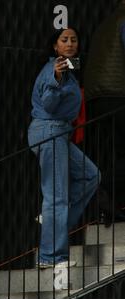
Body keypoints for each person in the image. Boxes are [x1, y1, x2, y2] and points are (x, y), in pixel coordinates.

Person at [27, 28, 100, 268]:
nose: (70, 44)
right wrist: (57, 81)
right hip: (49, 130)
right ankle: (51, 257)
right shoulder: (55, 69)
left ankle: (52, 224)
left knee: (91, 176)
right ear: (55, 46)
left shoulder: (67, 70)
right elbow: (48, 103)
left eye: (74, 40)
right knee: (56, 196)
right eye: (64, 40)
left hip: (59, 133)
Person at [84, 0, 125, 226]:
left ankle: (111, 206)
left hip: (98, 98)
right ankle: (106, 190)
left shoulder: (106, 23)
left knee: (122, 153)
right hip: (118, 94)